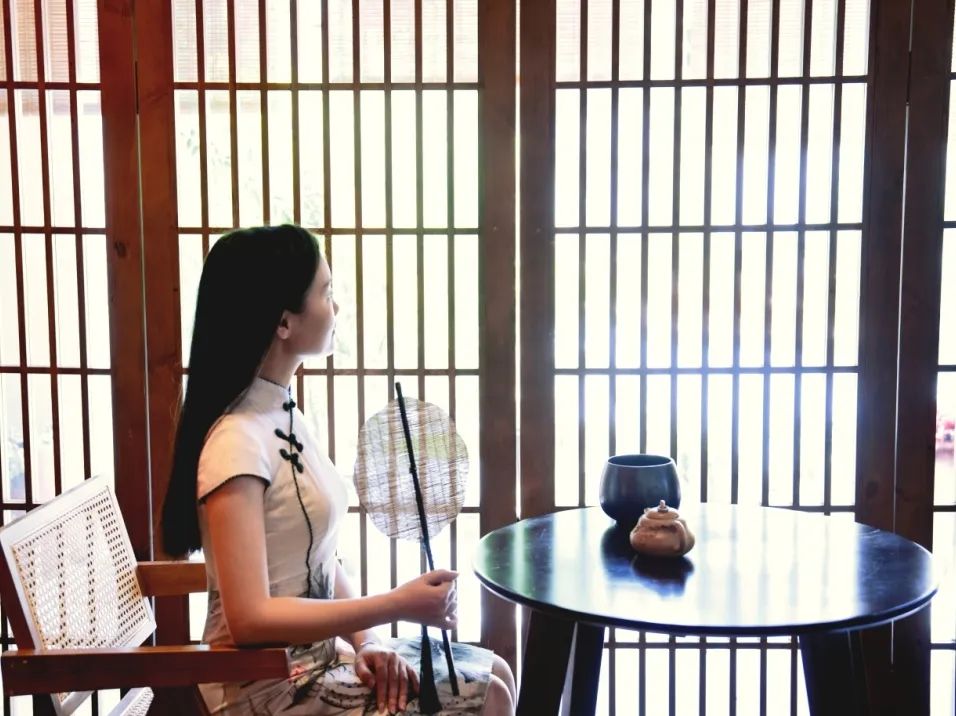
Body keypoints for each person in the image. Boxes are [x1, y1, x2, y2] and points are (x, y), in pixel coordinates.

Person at [161, 225, 516, 715]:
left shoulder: (282, 412)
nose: (336, 307)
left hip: (317, 661)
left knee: (498, 672)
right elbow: (249, 620)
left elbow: (322, 560)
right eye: (326, 293)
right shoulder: (236, 441)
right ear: (284, 322)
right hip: (263, 688)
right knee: (489, 696)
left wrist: (368, 639)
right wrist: (395, 604)